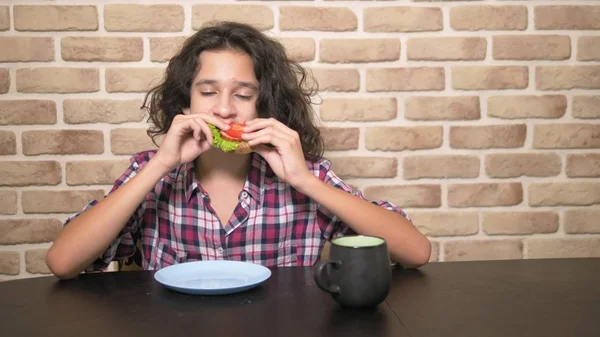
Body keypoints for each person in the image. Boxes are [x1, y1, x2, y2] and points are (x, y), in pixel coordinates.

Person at [46, 21, 431, 280]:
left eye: (243, 95)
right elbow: (63, 263)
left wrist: (304, 180)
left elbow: (415, 252)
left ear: (265, 107)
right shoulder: (152, 172)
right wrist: (159, 165)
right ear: (185, 104)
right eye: (208, 92)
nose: (225, 109)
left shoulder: (300, 173)